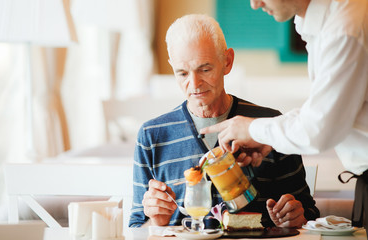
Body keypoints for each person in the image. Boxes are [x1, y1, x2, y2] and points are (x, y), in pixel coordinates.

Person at [129, 14, 319, 228]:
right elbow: (137, 225)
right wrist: (156, 220)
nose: (194, 84)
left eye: (205, 69)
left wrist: (295, 216)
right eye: (182, 73)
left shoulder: (271, 125)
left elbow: (309, 213)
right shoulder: (152, 136)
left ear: (227, 61)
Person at [200, 0, 368, 234]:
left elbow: (319, 128)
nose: (254, 4)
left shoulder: (344, 28)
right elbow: (322, 112)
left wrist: (251, 129)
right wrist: (268, 137)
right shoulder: (326, 25)